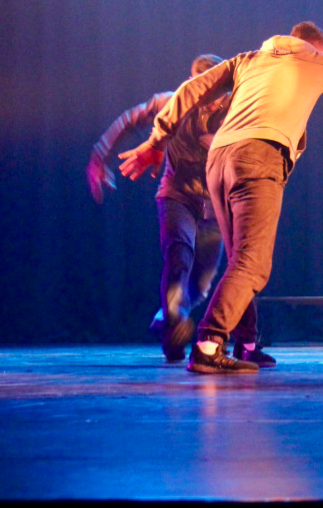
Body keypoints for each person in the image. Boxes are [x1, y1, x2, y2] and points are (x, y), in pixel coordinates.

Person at [119, 22, 323, 374]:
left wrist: (157, 138)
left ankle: (245, 344)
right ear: (316, 47)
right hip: (258, 156)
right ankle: (208, 344)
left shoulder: (248, 59)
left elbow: (191, 89)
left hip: (219, 160)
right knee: (253, 264)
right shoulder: (316, 60)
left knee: (239, 260)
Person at [87, 54, 232, 362]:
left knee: (200, 285)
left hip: (215, 204)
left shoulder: (237, 109)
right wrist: (100, 158)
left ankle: (167, 315)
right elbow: (130, 120)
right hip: (177, 195)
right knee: (179, 255)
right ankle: (173, 325)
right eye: (199, 90)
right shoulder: (173, 102)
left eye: (213, 94)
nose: (206, 101)